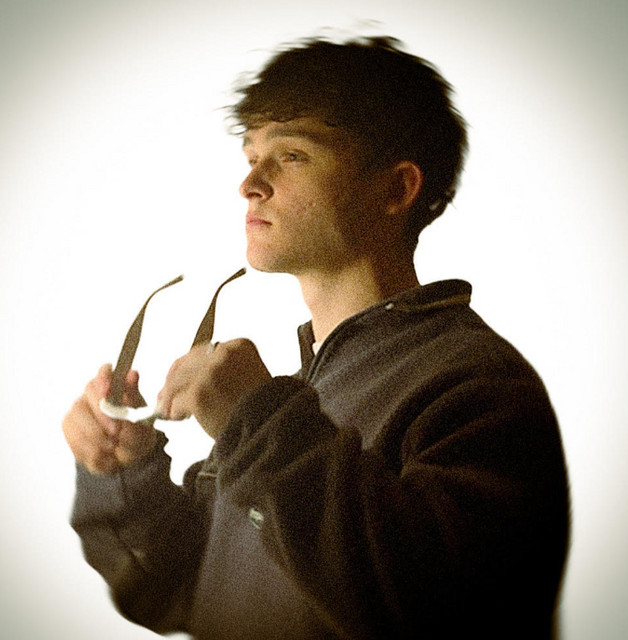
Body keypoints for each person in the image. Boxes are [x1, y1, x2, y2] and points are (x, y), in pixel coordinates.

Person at [63, 35, 570, 639]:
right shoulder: (296, 401)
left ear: (396, 189)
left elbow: (439, 612)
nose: (251, 183)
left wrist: (257, 420)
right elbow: (174, 592)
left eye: (292, 155)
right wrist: (125, 472)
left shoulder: (476, 383)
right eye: (251, 155)